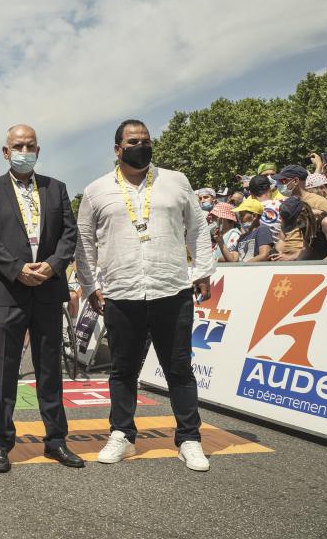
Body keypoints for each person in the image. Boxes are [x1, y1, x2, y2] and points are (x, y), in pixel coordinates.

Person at [76, 119, 214, 472]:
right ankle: (122, 434)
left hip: (171, 288)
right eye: (134, 141)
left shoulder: (176, 181)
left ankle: (189, 439)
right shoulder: (96, 191)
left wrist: (201, 272)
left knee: (179, 369)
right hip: (123, 294)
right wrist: (91, 286)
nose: (142, 146)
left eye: (147, 140)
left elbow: (197, 228)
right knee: (123, 370)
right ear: (118, 148)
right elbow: (85, 242)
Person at [0, 124, 83, 474]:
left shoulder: (56, 188)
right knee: (5, 371)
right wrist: (17, 268)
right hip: (9, 289)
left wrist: (52, 267)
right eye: (18, 145)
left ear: (39, 150)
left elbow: (70, 234)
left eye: (31, 145)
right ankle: (0, 442)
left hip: (48, 289)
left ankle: (56, 440)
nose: (25, 150)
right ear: (6, 152)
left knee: (50, 369)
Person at [273, 197, 327, 261]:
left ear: (304, 211)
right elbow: (307, 249)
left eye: (296, 223)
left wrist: (315, 269)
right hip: (324, 263)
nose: (296, 227)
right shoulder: (304, 222)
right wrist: (293, 262)